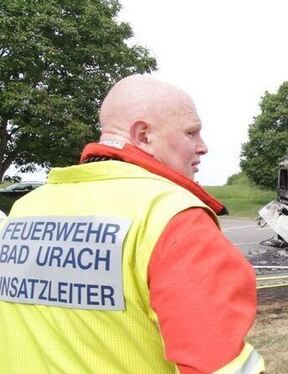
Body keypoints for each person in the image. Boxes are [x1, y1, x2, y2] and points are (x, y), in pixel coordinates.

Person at [0, 75, 264, 373]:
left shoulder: (23, 212)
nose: (202, 147)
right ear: (143, 135)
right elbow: (216, 365)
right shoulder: (172, 216)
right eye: (191, 133)